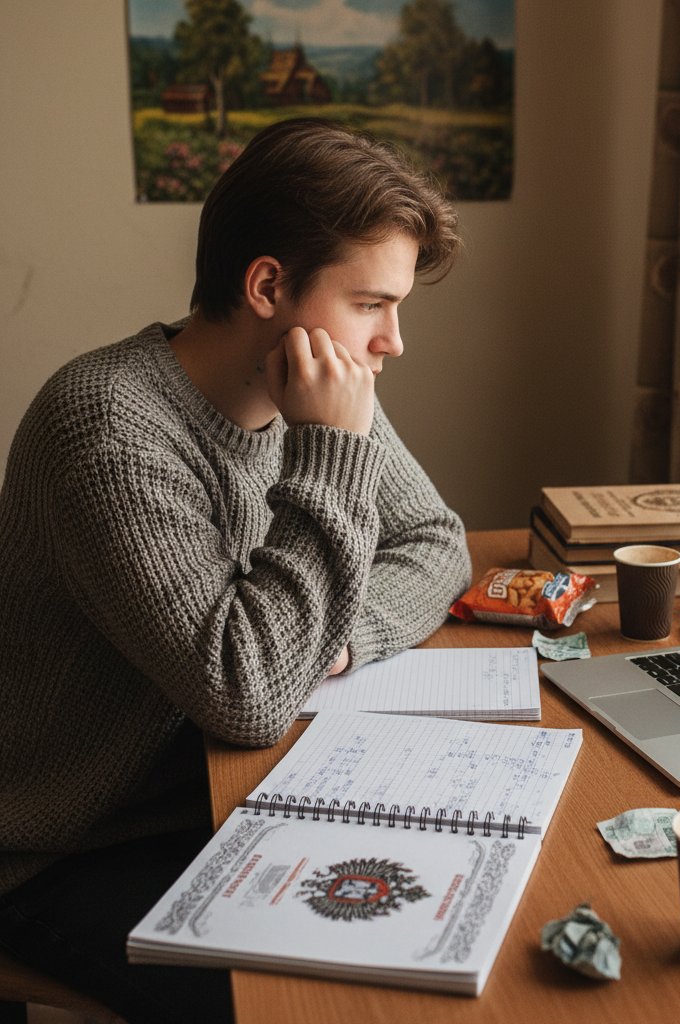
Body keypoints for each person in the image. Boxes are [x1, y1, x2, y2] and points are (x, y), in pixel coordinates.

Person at [0, 117, 472, 1022]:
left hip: (228, 786)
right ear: (267, 286)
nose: (393, 341)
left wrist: (335, 638)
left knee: (438, 912)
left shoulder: (322, 390)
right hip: (74, 843)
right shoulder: (106, 428)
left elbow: (434, 540)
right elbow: (248, 691)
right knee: (319, 1001)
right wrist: (331, 451)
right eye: (371, 304)